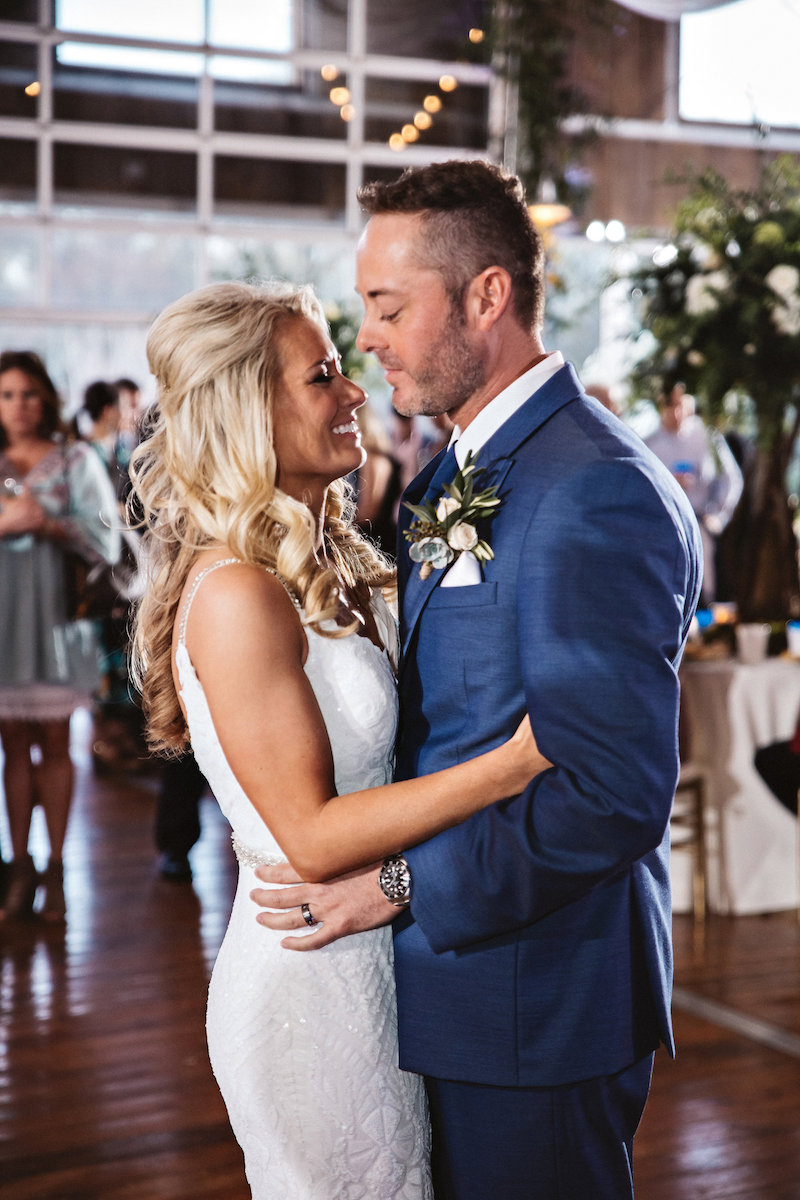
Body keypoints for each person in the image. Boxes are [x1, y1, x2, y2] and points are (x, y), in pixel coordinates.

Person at [251, 160, 703, 1200]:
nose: (366, 338)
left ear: (485, 296)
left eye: (387, 308)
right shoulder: (458, 471)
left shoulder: (590, 490)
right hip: (453, 987)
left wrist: (398, 885)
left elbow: (609, 795)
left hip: (532, 995)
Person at [128, 279, 549, 1199]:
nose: (356, 391)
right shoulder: (238, 593)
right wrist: (513, 764)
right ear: (248, 410)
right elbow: (312, 835)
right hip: (308, 988)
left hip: (381, 955)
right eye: (322, 376)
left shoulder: (336, 556)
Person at [0, 351, 120, 923]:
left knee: (55, 742)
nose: (18, 406)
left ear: (46, 397)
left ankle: (56, 867)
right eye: (6, 395)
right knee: (11, 748)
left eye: (27, 393)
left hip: (56, 620)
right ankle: (18, 866)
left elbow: (109, 541)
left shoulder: (75, 459)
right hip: (2, 624)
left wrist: (47, 524)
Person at [645, 382, 742, 604]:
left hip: (700, 526)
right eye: (671, 405)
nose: (677, 413)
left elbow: (731, 478)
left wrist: (718, 516)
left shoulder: (707, 438)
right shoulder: (648, 444)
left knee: (702, 593)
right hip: (663, 530)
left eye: (681, 404)